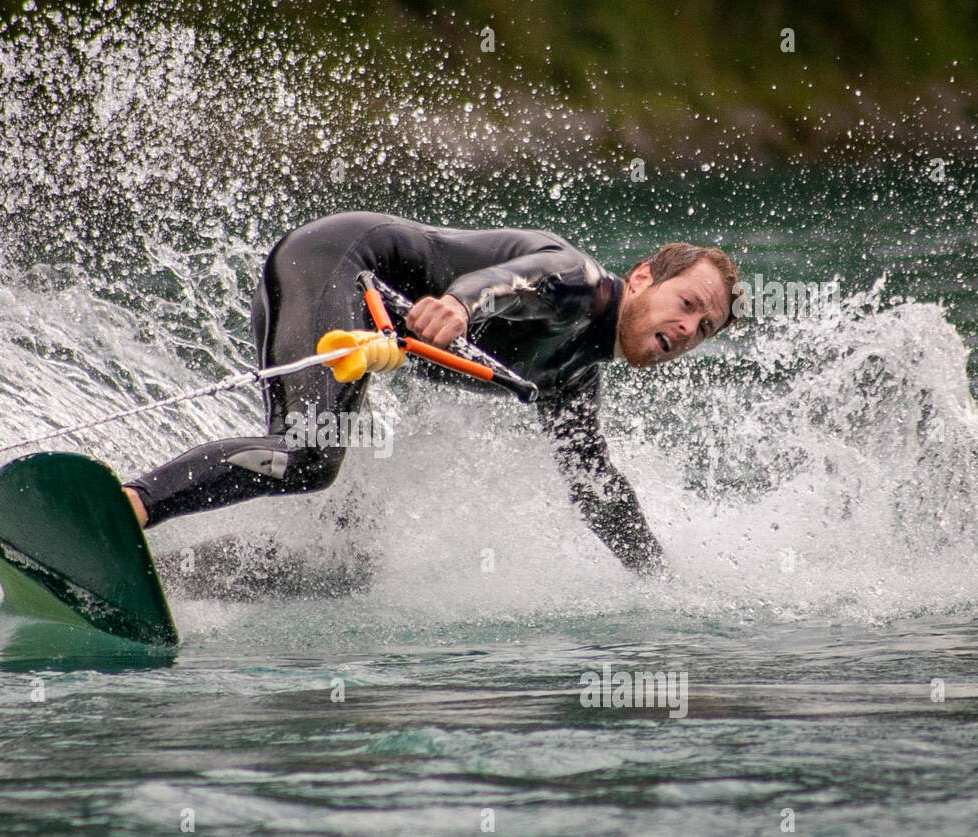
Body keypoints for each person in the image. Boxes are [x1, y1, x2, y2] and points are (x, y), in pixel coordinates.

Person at [123, 211, 739, 575]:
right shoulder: (580, 283)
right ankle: (128, 506)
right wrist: (457, 306)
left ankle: (172, 580)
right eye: (687, 305)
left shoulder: (574, 372)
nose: (688, 329)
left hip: (366, 320)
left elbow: (594, 484)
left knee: (344, 561)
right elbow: (514, 282)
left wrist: (661, 582)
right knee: (306, 456)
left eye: (703, 328)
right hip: (341, 263)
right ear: (643, 279)